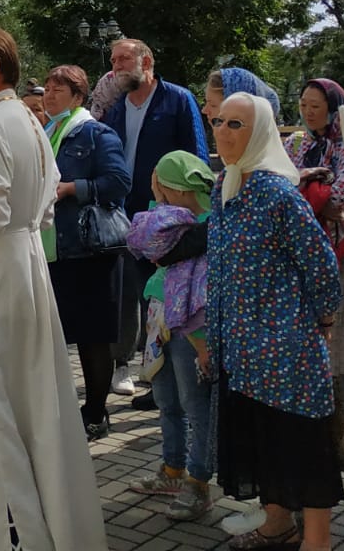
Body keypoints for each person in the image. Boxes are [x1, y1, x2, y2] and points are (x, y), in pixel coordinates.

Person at [0, 27, 107, 551]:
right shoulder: (31, 122)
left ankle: (21, 536)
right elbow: (45, 203)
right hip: (27, 265)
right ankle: (53, 529)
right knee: (35, 401)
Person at [207, 92, 343, 551]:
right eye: (220, 122)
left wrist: (323, 317)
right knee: (263, 440)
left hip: (285, 346)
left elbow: (321, 266)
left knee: (300, 441)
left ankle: (317, 541)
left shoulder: (276, 193)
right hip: (242, 349)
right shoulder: (225, 185)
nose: (223, 132)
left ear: (260, 132)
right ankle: (276, 523)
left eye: (236, 125)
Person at [103, 38, 209, 398]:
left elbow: (196, 160)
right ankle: (132, 367)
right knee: (130, 294)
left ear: (146, 61)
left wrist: (191, 215)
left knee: (163, 298)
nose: (116, 65)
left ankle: (168, 378)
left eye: (124, 58)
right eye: (114, 59)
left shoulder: (177, 100)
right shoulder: (116, 106)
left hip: (167, 219)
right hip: (125, 216)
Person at [126, 151, 217, 522]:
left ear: (173, 187)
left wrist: (202, 340)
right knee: (167, 400)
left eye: (160, 184)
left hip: (192, 328)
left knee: (196, 407)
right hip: (161, 319)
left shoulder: (210, 224)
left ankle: (198, 483)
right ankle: (172, 470)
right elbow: (144, 236)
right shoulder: (173, 220)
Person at [41, 63, 131, 441]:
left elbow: (118, 182)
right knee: (56, 335)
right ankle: (60, 409)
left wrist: (71, 188)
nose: (48, 95)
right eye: (46, 89)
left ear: (78, 96)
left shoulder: (95, 133)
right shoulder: (45, 131)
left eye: (58, 90)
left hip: (90, 251)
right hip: (54, 251)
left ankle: (96, 411)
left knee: (94, 337)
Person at [280, 78, 344, 437]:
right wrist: (311, 185)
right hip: (298, 251)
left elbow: (341, 198)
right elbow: (278, 185)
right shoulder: (295, 142)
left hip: (337, 248)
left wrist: (302, 187)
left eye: (316, 105)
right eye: (303, 103)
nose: (308, 111)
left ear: (333, 108)